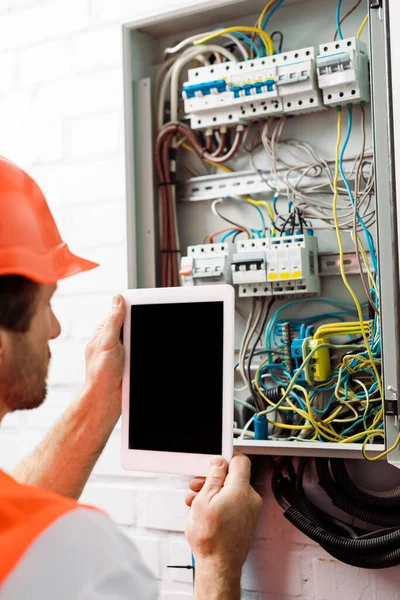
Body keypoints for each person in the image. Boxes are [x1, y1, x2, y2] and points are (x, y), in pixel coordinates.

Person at [0, 156, 263, 599]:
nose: (56, 329)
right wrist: (218, 563)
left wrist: (104, 395)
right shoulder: (79, 557)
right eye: (47, 305)